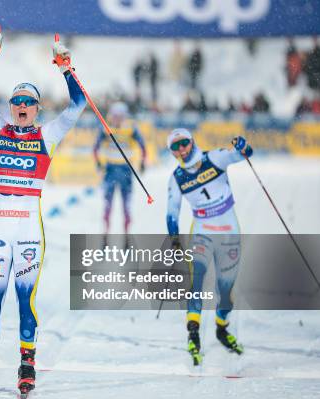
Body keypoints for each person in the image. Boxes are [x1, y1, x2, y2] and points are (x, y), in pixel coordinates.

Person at [0, 29, 86, 398]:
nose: (21, 106)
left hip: (29, 229)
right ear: (10, 106)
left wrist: (67, 69)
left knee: (24, 300)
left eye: (28, 102)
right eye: (16, 101)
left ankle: (26, 364)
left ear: (36, 108)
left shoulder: (47, 136)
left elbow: (78, 105)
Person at [166, 128, 251, 366]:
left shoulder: (214, 158)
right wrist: (174, 241)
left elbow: (244, 153)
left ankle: (221, 328)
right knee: (197, 282)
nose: (181, 149)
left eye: (184, 143)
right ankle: (193, 336)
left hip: (228, 231)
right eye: (175, 147)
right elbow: (171, 214)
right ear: (172, 152)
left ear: (192, 141)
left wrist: (242, 146)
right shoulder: (176, 178)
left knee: (226, 290)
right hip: (202, 232)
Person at [93, 102, 146, 237]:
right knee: (107, 203)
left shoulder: (130, 128)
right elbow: (95, 147)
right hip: (110, 169)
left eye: (120, 116)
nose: (116, 119)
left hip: (126, 170)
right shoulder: (105, 128)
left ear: (124, 116)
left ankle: (127, 233)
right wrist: (98, 162)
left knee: (126, 204)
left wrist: (143, 163)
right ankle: (105, 232)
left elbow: (142, 145)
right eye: (114, 116)